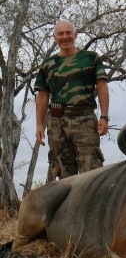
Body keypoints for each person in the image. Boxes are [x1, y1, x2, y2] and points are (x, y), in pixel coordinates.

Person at [35, 20, 109, 180]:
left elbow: (102, 85)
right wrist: (39, 124)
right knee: (63, 173)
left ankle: (92, 205)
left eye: (68, 33)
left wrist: (104, 117)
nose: (65, 37)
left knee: (91, 173)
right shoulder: (48, 64)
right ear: (54, 37)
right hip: (56, 121)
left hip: (84, 120)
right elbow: (42, 95)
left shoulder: (91, 58)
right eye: (60, 34)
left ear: (75, 35)